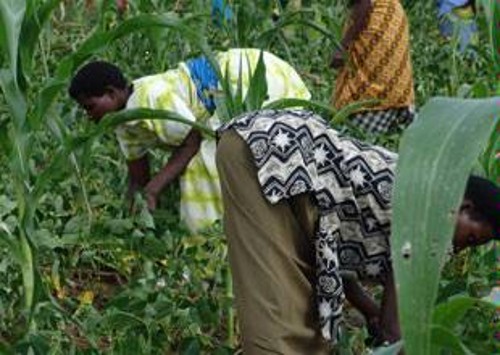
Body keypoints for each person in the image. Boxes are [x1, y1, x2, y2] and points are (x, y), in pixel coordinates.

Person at [215, 108, 499, 354]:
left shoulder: (424, 191)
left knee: (306, 322)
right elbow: (393, 331)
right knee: (278, 323)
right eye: (470, 238)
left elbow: (344, 271)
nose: (461, 249)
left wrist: (370, 311)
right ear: (464, 207)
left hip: (275, 157)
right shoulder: (428, 212)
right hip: (272, 156)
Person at [69, 49, 311, 232]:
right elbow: (137, 174)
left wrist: (154, 189)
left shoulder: (151, 98)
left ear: (112, 93)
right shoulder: (123, 123)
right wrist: (131, 215)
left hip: (244, 76)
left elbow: (191, 141)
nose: (89, 115)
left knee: (205, 165)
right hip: (228, 88)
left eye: (90, 107)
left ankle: (211, 236)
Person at [331, 0, 415, 135]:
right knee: (391, 73)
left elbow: (363, 3)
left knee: (367, 80)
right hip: (391, 16)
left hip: (374, 16)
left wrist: (343, 46)